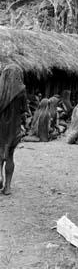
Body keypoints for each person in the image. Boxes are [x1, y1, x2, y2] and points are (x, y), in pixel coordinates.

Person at [0, 64, 27, 195]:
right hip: (14, 130)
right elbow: (24, 111)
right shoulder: (21, 91)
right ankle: (8, 187)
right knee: (9, 155)